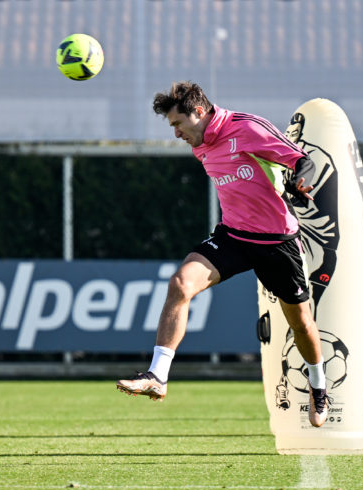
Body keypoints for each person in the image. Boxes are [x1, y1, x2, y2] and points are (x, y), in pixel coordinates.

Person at [116, 81, 331, 427]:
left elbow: (302, 161)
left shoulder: (246, 128)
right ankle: (158, 376)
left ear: (198, 113)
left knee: (301, 324)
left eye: (177, 124)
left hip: (278, 241)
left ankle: (319, 385)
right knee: (180, 284)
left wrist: (298, 182)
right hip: (233, 236)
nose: (176, 134)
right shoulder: (200, 145)